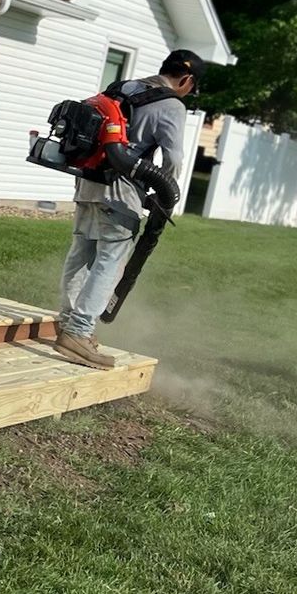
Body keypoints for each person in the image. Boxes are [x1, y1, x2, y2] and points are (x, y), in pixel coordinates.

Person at [53, 48, 205, 369]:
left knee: (81, 252)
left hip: (87, 182)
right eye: (192, 88)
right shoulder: (171, 105)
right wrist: (166, 193)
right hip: (121, 192)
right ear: (187, 80)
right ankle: (78, 332)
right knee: (110, 259)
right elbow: (173, 159)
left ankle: (66, 321)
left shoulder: (123, 87)